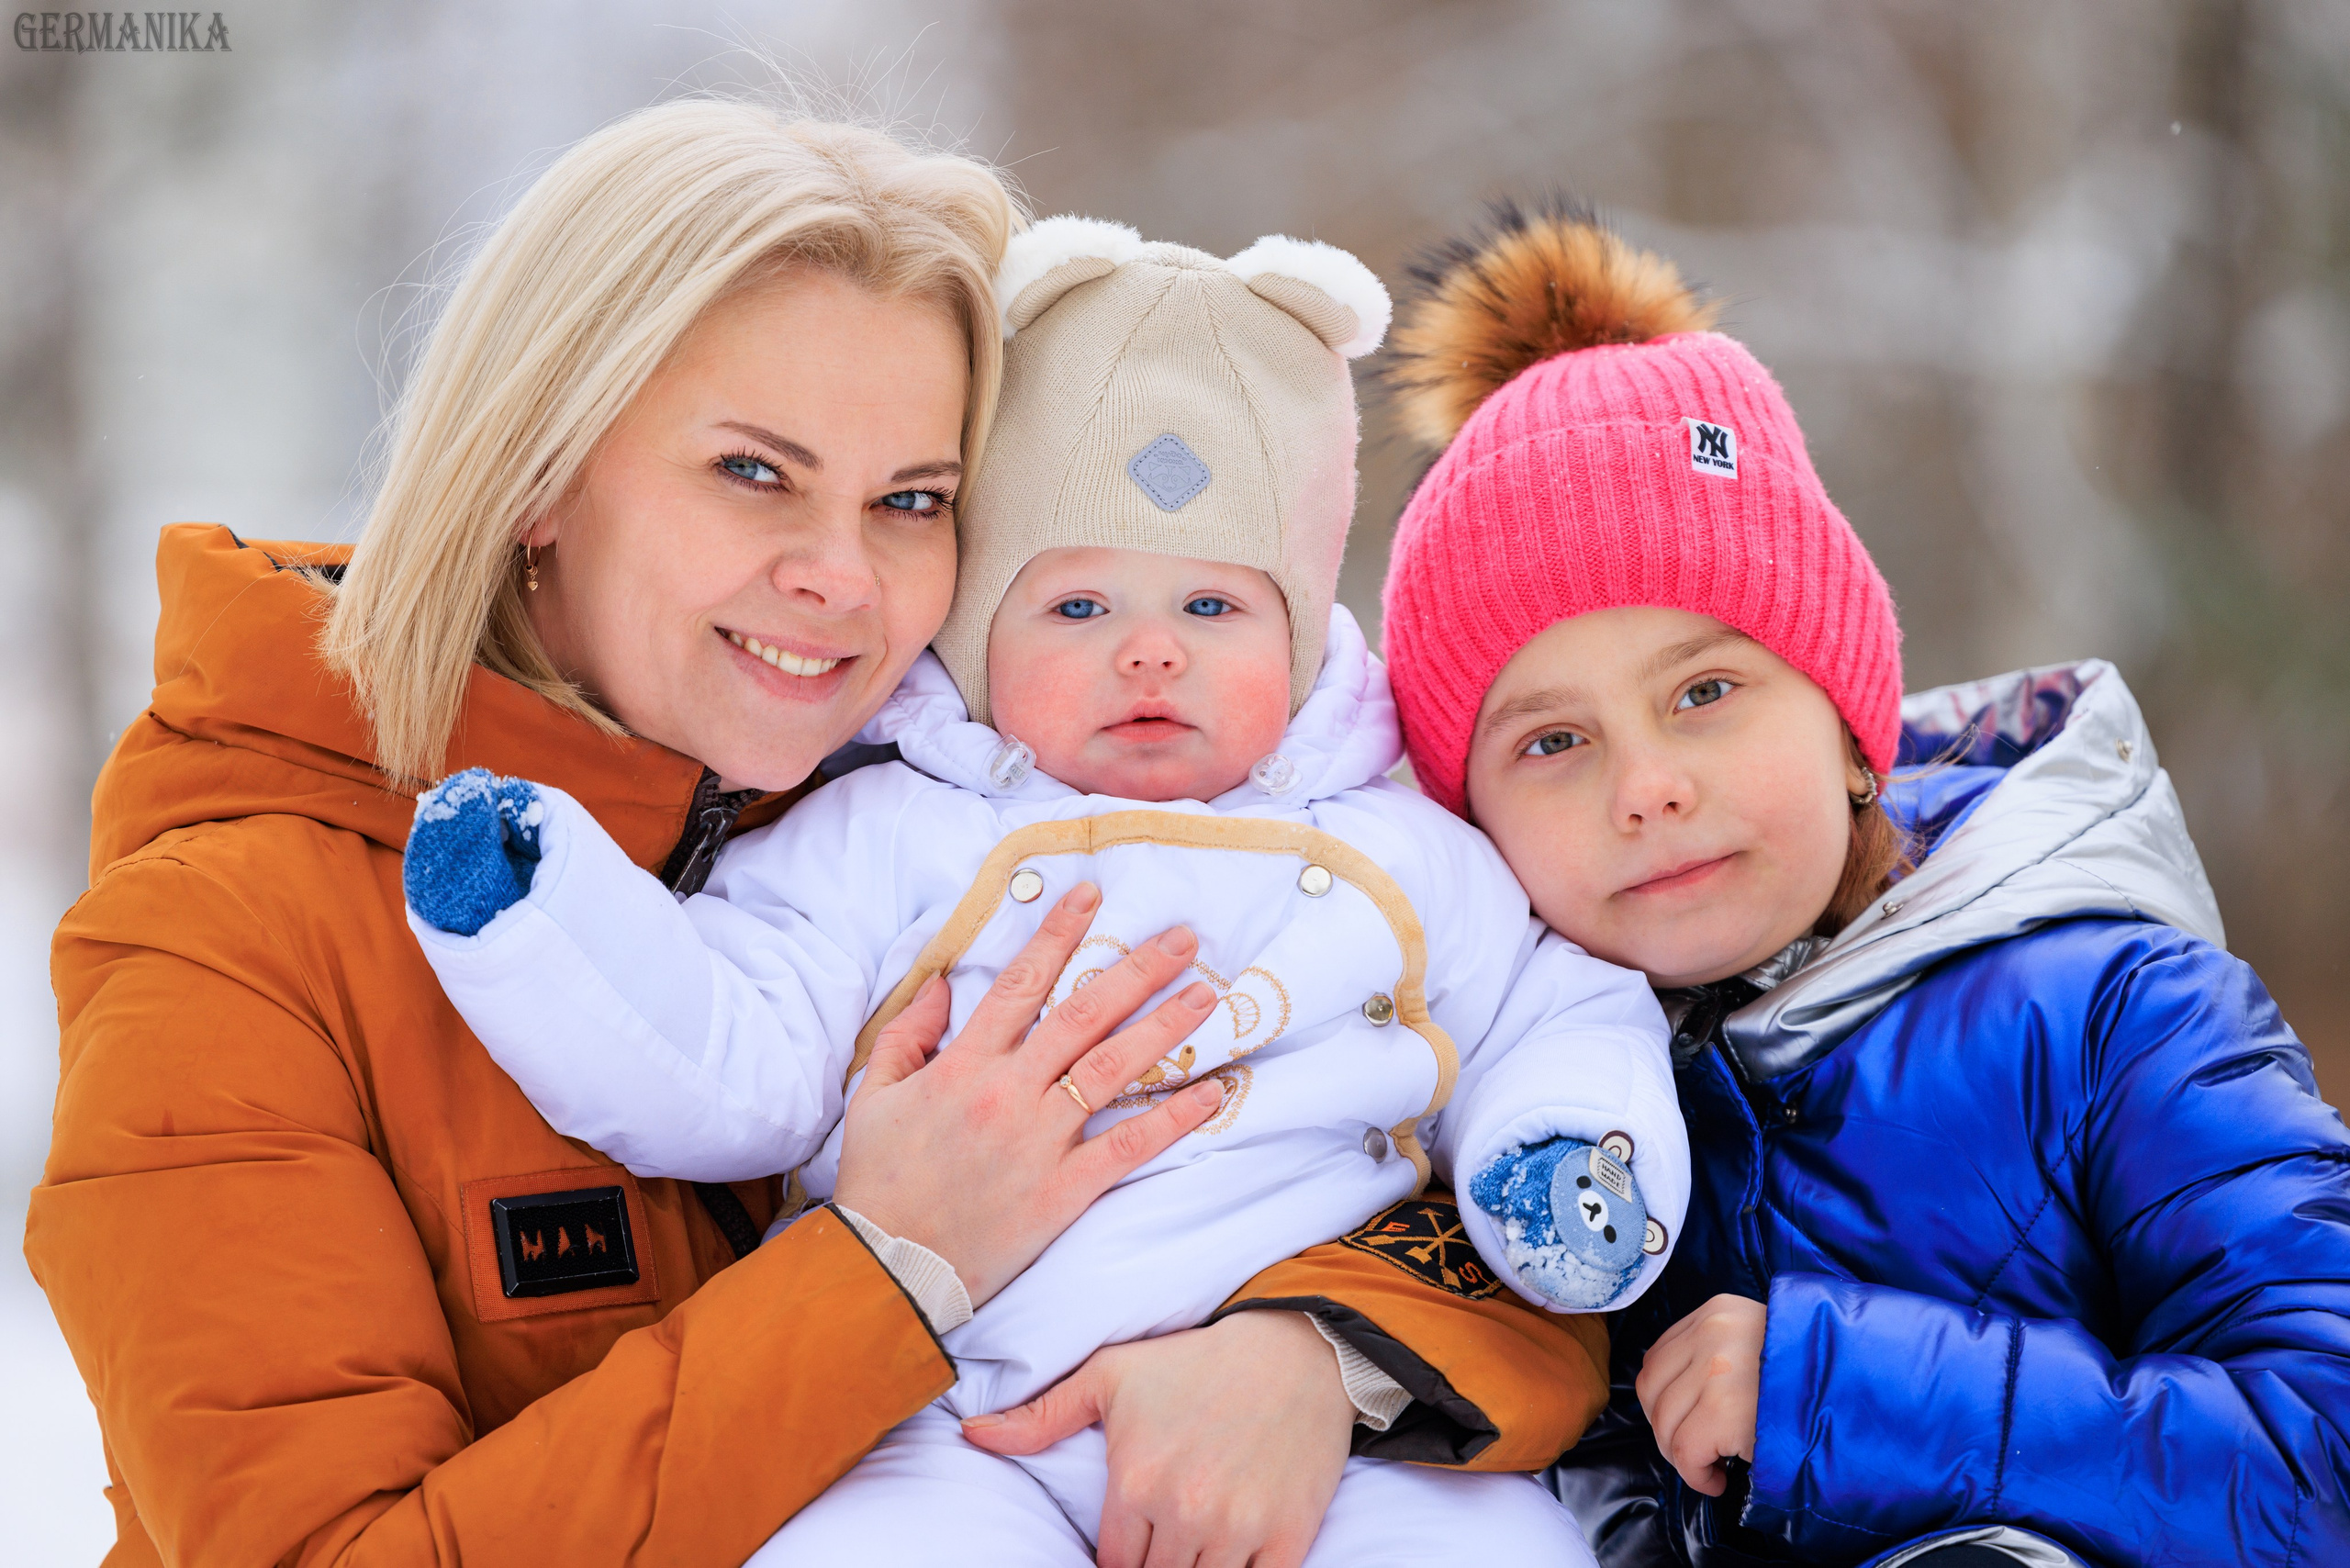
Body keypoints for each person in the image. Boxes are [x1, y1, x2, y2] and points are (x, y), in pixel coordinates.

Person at [22, 114, 1612, 1568]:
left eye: (912, 499)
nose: (843, 581)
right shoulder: (229, 947)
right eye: (753, 474)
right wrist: (888, 1268)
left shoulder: (989, 807)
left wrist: (1312, 1354)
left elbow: (1549, 1151)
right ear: (539, 474)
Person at [399, 215, 1686, 1565]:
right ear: (978, 627)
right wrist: (541, 912)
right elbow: (734, 1043)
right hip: (948, 1419)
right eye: (1078, 609)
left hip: (1318, 1411)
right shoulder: (893, 832)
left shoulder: (1407, 853)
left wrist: (1557, 1160)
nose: (1149, 658)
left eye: (1212, 611)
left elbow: (1558, 1013)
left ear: (1304, 635)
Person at [1370, 201, 2350, 1566]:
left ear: (1846, 722)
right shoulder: (1475, 1104)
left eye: (1705, 690)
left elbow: (2322, 1455)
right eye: (1552, 741)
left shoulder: (2117, 1011)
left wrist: (1832, 1392)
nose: (1643, 785)